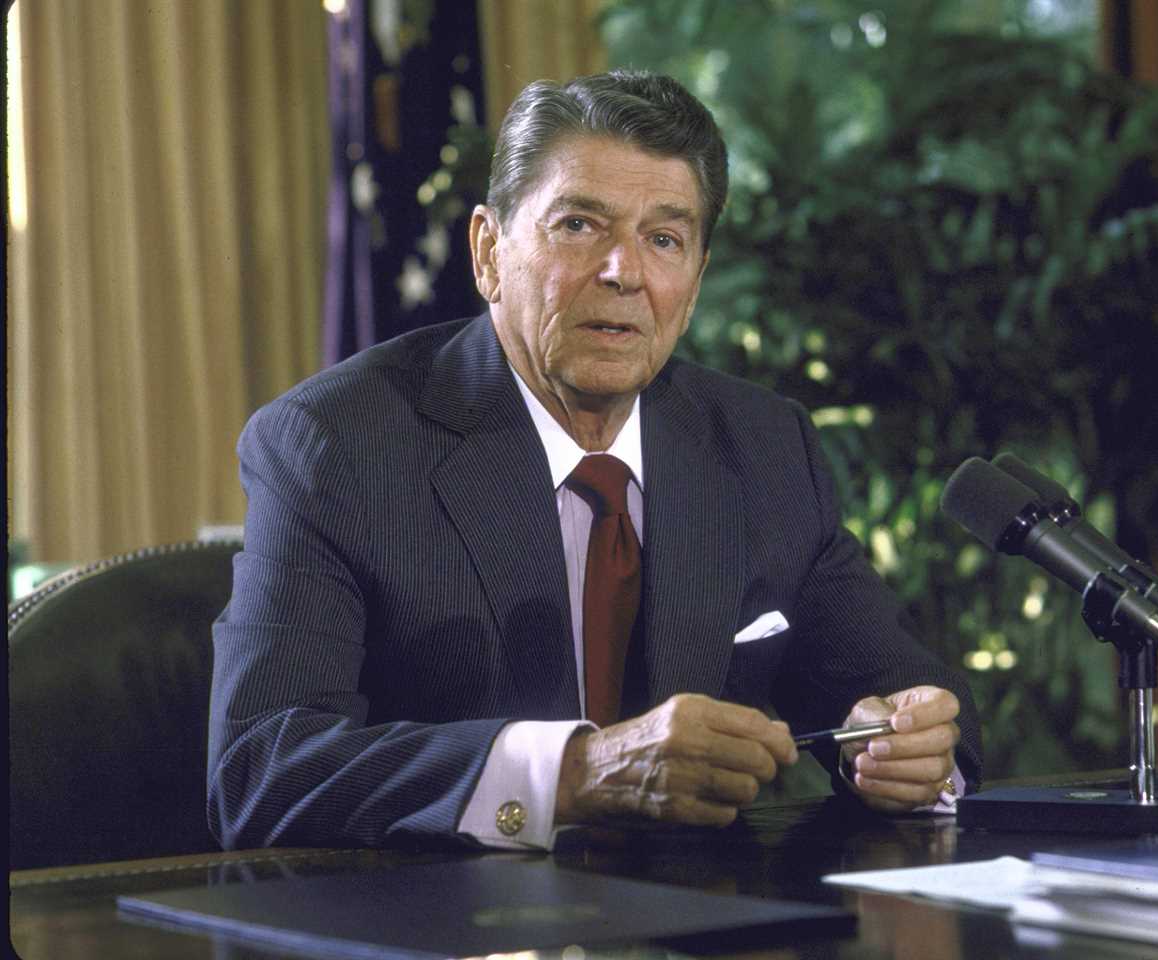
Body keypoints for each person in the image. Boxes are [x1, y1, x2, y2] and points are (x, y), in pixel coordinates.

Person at [207, 70, 982, 852]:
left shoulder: (764, 448)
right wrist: (578, 773)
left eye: (664, 239)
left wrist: (906, 752)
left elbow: (909, 698)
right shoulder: (336, 445)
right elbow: (263, 770)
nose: (624, 272)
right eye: (579, 225)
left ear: (696, 280)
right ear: (487, 252)